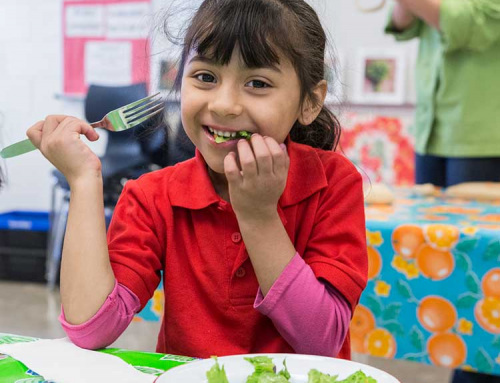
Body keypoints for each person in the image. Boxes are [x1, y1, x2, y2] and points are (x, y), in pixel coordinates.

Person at [27, 0, 367, 359]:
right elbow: (91, 328)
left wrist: (259, 217)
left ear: (310, 102)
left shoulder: (334, 183)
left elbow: (323, 341)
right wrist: (83, 180)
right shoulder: (152, 195)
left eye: (257, 82)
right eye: (205, 77)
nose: (223, 105)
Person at [387, 2, 500, 382]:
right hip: (432, 128)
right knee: (440, 259)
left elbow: (471, 25)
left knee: (484, 267)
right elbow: (404, 25)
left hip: (484, 135)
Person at [386, 0, 500, 188]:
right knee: (424, 214)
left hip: (478, 136)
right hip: (429, 131)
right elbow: (402, 25)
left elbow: (464, 24)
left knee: (471, 215)